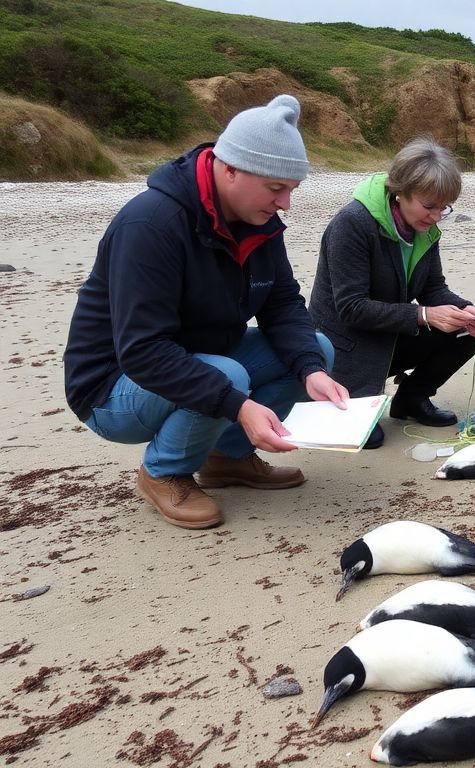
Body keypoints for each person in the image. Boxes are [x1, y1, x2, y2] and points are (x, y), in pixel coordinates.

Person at [63, 94, 347, 530]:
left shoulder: (259, 222)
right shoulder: (151, 225)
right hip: (112, 385)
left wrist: (310, 370)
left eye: (292, 189)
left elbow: (282, 303)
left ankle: (226, 458)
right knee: (226, 378)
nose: (286, 203)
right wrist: (236, 405)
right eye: (276, 188)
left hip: (203, 356)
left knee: (316, 349)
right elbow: (142, 350)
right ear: (229, 168)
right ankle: (164, 472)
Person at [310, 138, 475, 449]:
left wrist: (468, 311)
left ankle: (411, 398)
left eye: (444, 207)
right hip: (343, 345)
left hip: (388, 334)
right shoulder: (352, 223)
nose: (436, 216)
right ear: (400, 192)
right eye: (429, 205)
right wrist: (423, 315)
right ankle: (343, 391)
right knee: (371, 440)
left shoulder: (424, 228)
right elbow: (351, 308)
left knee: (469, 332)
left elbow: (432, 288)